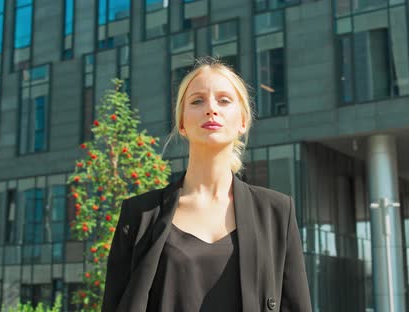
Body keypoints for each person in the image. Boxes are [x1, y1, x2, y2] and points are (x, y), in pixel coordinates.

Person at [102, 58, 311, 311]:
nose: (211, 108)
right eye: (197, 101)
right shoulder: (140, 215)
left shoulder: (277, 212)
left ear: (243, 121)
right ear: (181, 123)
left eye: (224, 100)